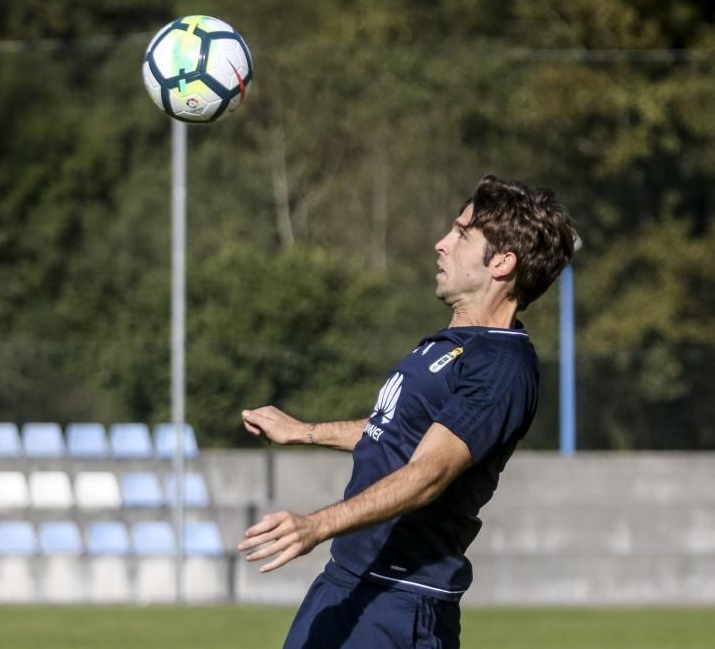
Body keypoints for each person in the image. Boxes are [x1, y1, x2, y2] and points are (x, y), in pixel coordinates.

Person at [238, 174, 578, 648]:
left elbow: (430, 472)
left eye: (462, 234)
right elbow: (393, 431)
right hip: (351, 581)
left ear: (502, 262)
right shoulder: (453, 345)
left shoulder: (502, 365)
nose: (441, 244)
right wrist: (306, 431)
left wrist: (317, 524)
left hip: (398, 601)